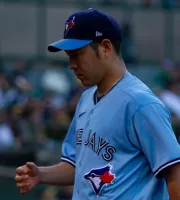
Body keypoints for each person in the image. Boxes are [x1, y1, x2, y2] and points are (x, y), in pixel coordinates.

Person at [15, 8, 180, 199]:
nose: (71, 64)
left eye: (77, 54)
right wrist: (41, 175)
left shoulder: (140, 103)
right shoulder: (86, 99)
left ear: (106, 48)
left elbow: (174, 171)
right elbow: (77, 166)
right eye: (69, 56)